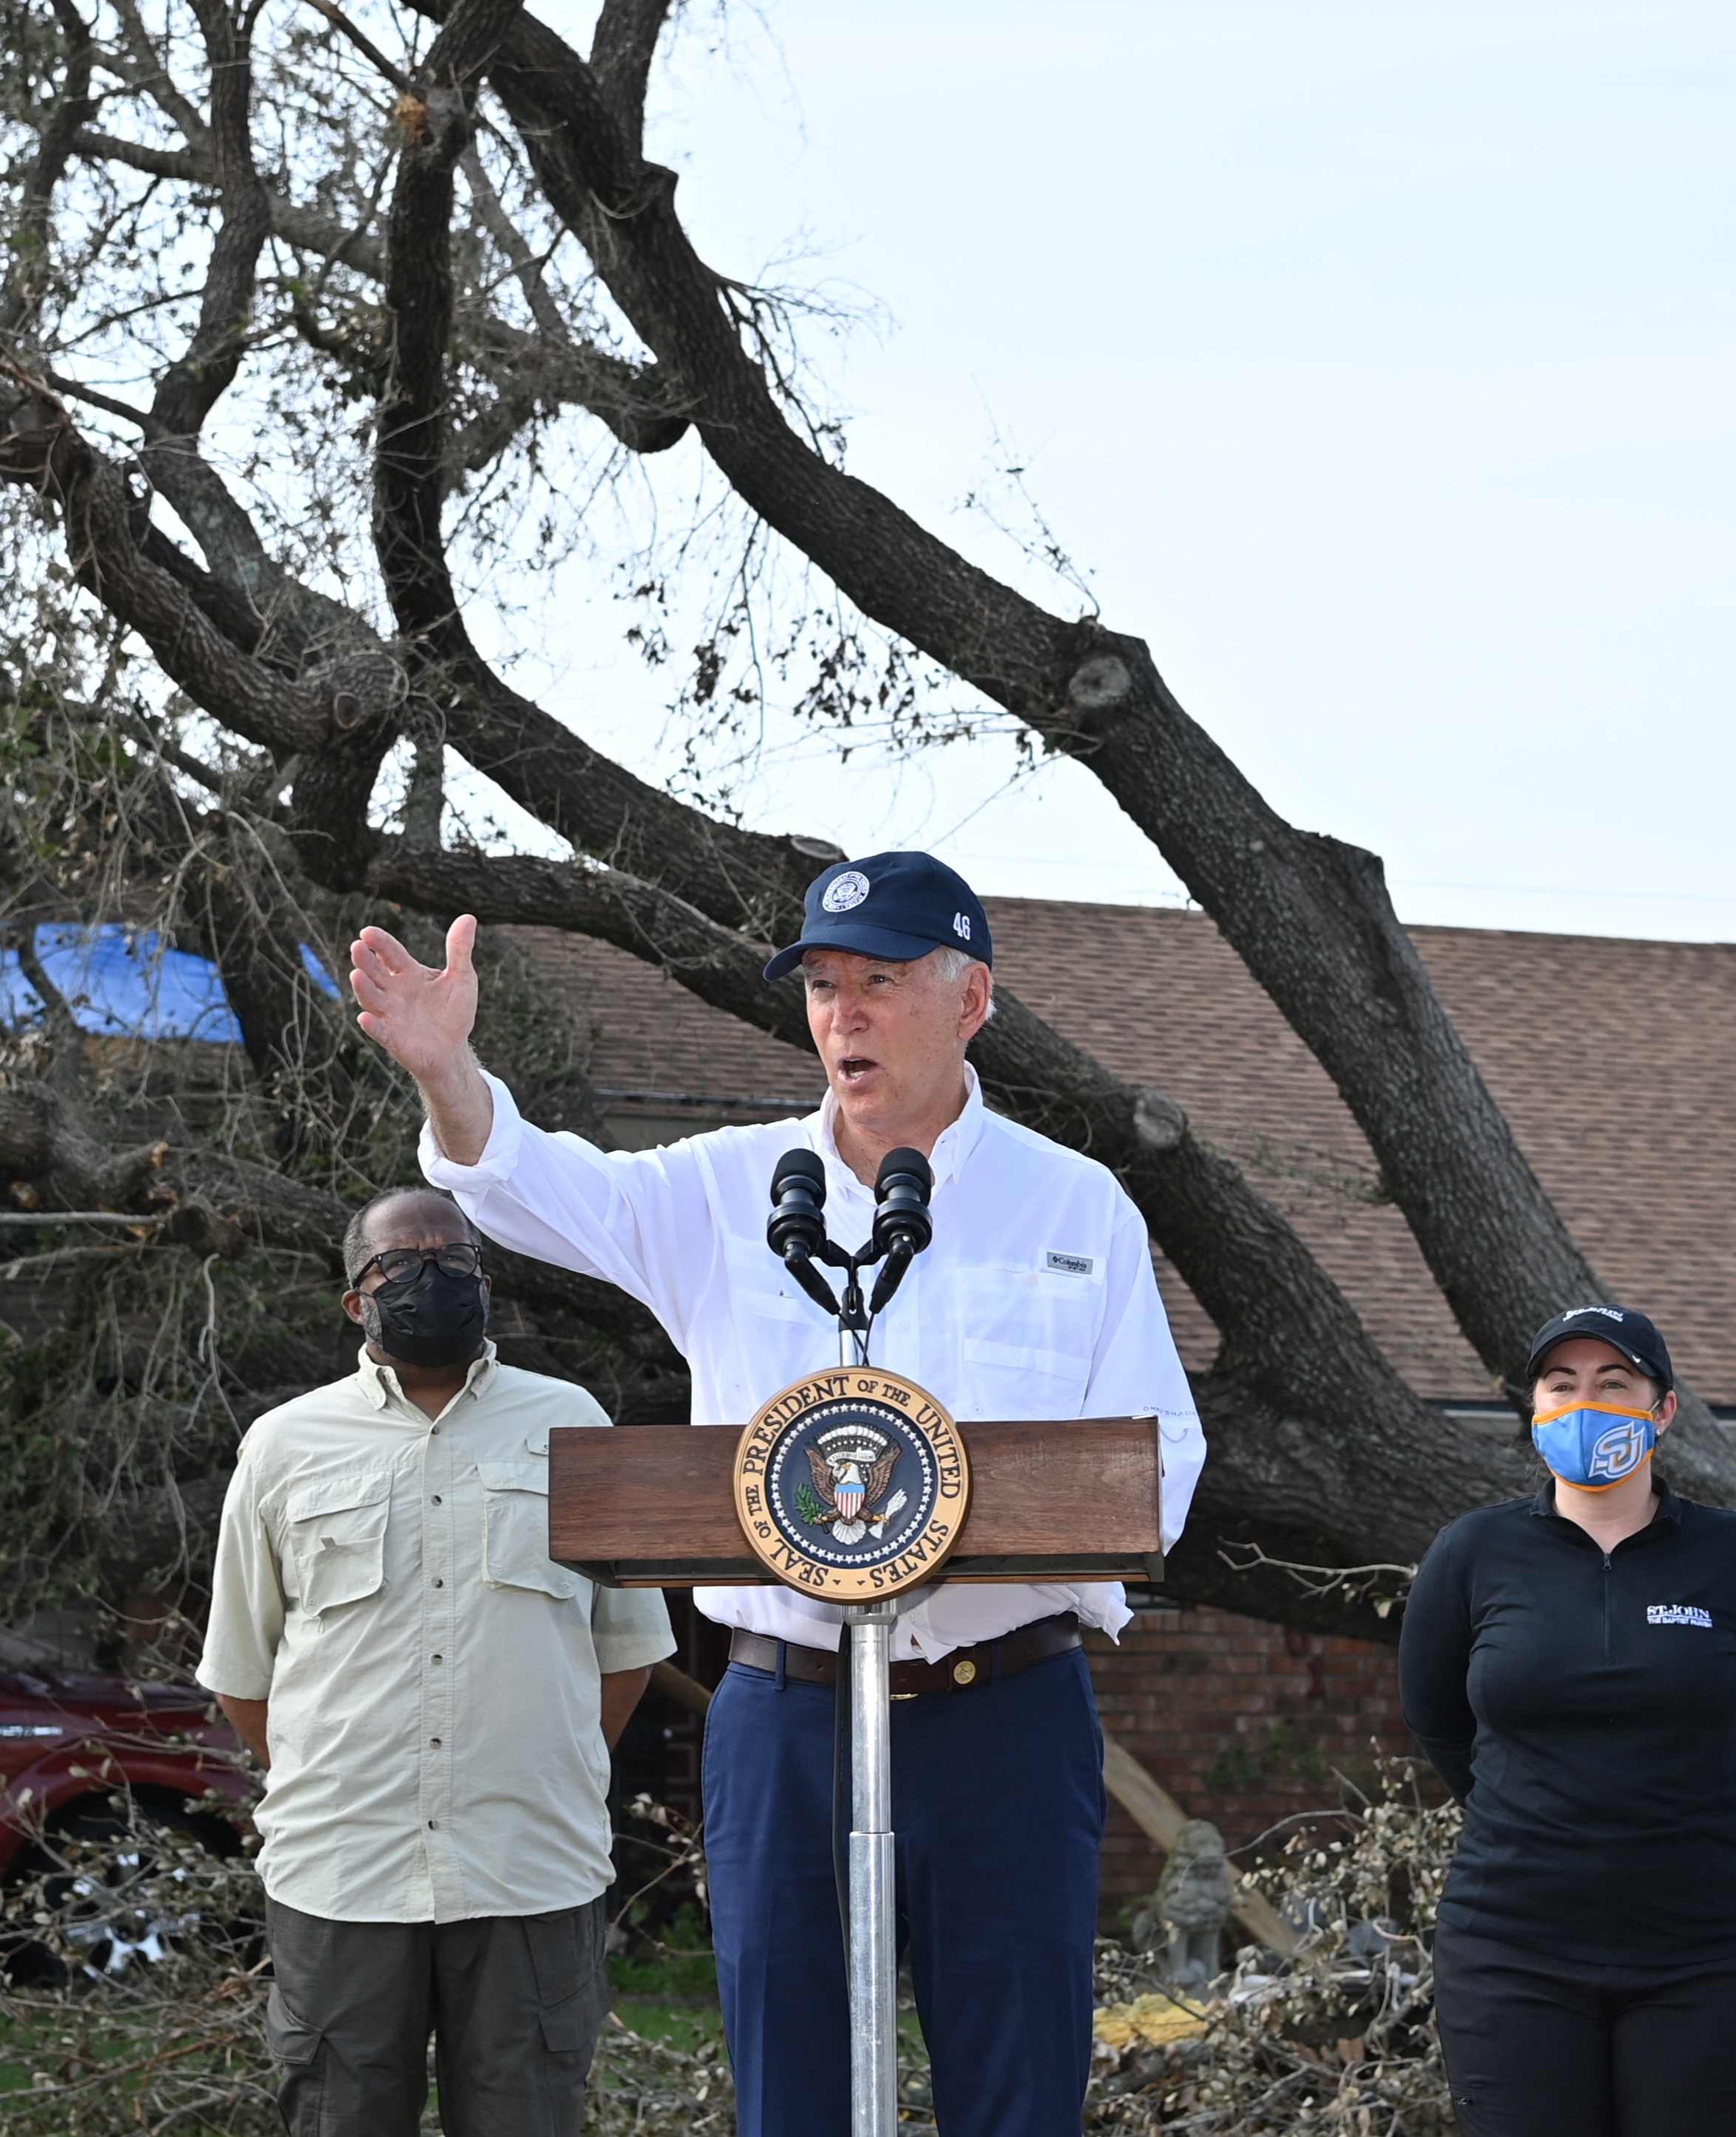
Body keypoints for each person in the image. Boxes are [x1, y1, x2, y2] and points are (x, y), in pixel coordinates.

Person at [348, 851, 1207, 2137]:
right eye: (819, 985)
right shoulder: (730, 1188)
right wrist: (445, 1073)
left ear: (968, 999)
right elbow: (527, 1183)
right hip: (785, 1714)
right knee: (789, 2092)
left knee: (1019, 2090)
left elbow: (1160, 1460)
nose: (841, 1014)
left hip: (1002, 1717)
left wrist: (1000, 1528)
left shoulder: (1073, 1202)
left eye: (877, 981)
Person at [198, 1186, 676, 2137]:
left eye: (452, 1261)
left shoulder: (573, 1422)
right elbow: (243, 1676)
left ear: (487, 1284)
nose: (431, 1279)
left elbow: (624, 1654)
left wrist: (538, 1764)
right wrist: (339, 1772)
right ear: (354, 1302)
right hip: (342, 1870)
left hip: (528, 1869)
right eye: (398, 1266)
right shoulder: (285, 1445)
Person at [1398, 1302, 1736, 2137]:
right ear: (1534, 1410)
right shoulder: (1471, 1555)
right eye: (1560, 1385)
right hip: (1512, 1952)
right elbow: (1439, 1723)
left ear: (1661, 1409)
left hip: (1721, 1951)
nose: (1584, 1402)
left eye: (1614, 1382)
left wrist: (1704, 1821)